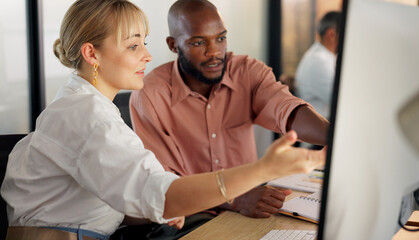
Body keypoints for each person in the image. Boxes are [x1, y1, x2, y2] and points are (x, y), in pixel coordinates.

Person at [0, 0, 326, 240]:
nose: (147, 55)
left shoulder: (81, 106)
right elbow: (163, 192)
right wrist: (264, 170)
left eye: (144, 42)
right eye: (132, 46)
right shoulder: (88, 116)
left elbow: (110, 193)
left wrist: (151, 211)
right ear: (92, 55)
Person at [129, 0, 329, 231]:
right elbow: (163, 185)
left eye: (220, 39)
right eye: (199, 42)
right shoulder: (150, 94)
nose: (214, 52)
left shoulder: (247, 71)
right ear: (174, 45)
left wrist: (333, 136)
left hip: (250, 209)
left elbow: (287, 109)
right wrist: (233, 197)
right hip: (187, 219)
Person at [294, 11, 342, 120]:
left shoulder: (325, 57)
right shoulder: (318, 62)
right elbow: (343, 101)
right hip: (321, 128)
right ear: (331, 34)